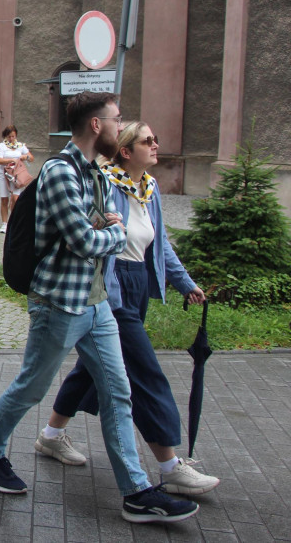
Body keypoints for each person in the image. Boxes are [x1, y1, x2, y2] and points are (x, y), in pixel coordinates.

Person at [0, 91, 199, 524]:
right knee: (32, 388)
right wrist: (111, 232)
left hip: (97, 303)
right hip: (59, 304)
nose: (120, 125)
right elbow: (85, 240)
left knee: (118, 392)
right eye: (117, 118)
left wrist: (104, 229)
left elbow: (96, 231)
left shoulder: (95, 172)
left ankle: (136, 492)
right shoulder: (61, 171)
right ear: (97, 125)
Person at [38, 121, 218, 495]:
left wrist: (185, 284)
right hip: (111, 290)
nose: (156, 145)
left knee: (91, 367)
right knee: (145, 374)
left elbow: (160, 245)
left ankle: (51, 434)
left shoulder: (149, 190)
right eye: (147, 140)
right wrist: (112, 299)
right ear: (125, 150)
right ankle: (170, 464)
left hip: (137, 288)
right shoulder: (107, 185)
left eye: (155, 139)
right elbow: (94, 240)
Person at [0, 125, 33, 232]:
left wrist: (24, 157)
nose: (11, 139)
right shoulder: (2, 146)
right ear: (6, 136)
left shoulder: (20, 146)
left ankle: (14, 221)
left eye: (13, 136)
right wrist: (11, 159)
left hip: (16, 175)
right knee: (4, 199)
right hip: (4, 174)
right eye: (9, 136)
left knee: (15, 198)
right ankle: (4, 223)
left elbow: (31, 157)